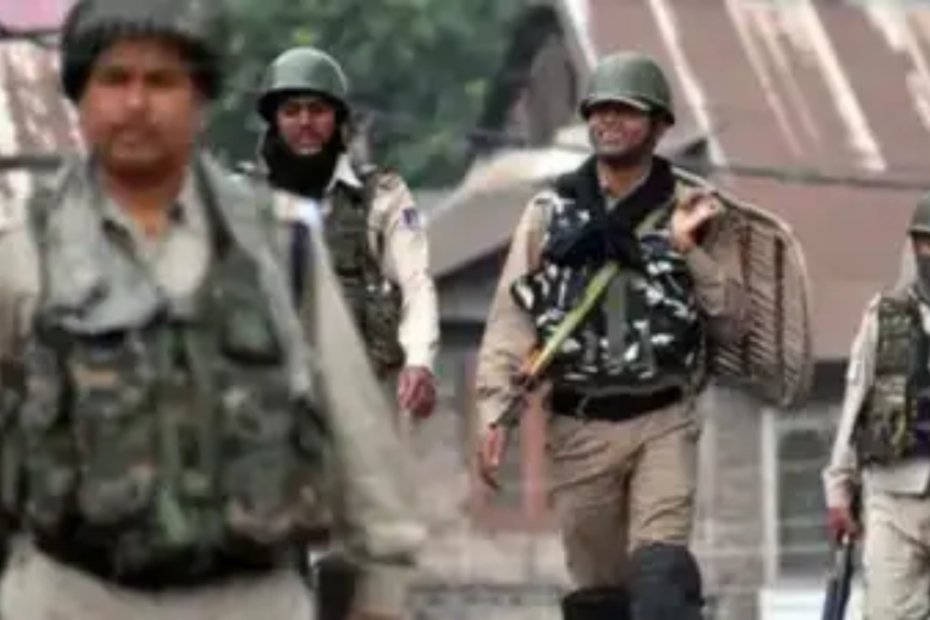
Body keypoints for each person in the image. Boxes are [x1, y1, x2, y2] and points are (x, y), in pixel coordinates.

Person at [0, 1, 423, 619]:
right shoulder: (20, 252)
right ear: (80, 97)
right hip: (67, 596)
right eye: (114, 79)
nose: (136, 104)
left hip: (249, 597)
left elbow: (356, 428)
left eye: (161, 81)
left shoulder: (280, 245)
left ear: (201, 98)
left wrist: (382, 589)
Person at [475, 51, 746, 620]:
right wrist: (494, 413)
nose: (609, 121)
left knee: (662, 581)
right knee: (600, 596)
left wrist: (688, 250)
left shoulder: (695, 208)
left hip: (664, 418)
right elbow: (511, 318)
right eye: (600, 110)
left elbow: (730, 316)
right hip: (580, 425)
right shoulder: (550, 214)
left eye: (626, 110)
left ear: (659, 125)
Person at [255, 46, 439, 421]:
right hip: (271, 400)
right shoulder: (246, 202)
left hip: (360, 397)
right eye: (291, 111)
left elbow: (416, 282)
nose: (305, 122)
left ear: (338, 119)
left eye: (317, 110)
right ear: (274, 120)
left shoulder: (382, 195)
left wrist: (419, 360)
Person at [823, 193, 930, 620]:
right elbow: (857, 399)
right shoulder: (883, 316)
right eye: (925, 242)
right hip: (892, 494)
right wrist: (838, 486)